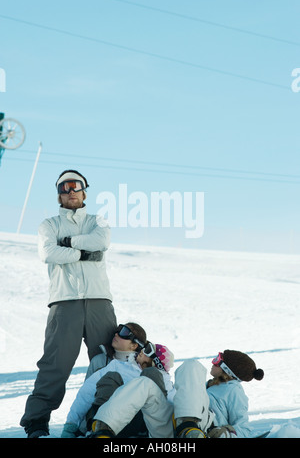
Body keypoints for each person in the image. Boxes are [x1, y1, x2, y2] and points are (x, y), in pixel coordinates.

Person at [20, 169, 117, 438]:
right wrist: (86, 253)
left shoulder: (98, 221)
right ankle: (36, 422)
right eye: (64, 188)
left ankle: (102, 419)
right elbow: (48, 252)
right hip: (64, 302)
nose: (70, 191)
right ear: (59, 195)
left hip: (99, 301)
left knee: (108, 362)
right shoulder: (49, 225)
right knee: (55, 364)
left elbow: (102, 241)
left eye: (76, 186)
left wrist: (69, 244)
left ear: (85, 191)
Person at [92, 349, 264, 439]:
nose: (213, 361)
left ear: (227, 370)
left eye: (218, 359)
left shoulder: (234, 390)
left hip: (201, 430)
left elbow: (245, 428)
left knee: (191, 366)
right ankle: (104, 429)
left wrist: (226, 433)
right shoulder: (206, 386)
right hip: (172, 427)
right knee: (144, 383)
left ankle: (190, 428)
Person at [61, 327, 175, 438]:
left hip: (146, 423)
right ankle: (101, 428)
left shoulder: (162, 377)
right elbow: (87, 392)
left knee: (150, 374)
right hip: (113, 420)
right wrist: (71, 424)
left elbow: (171, 401)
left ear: (157, 363)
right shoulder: (118, 366)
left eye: (148, 351)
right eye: (145, 348)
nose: (143, 351)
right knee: (111, 377)